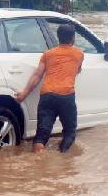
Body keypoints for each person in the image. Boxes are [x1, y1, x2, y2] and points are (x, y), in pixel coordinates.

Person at [14, 23, 84, 153]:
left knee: (42, 134)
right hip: (66, 96)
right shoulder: (79, 54)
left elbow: (37, 76)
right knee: (69, 132)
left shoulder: (48, 54)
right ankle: (63, 157)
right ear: (73, 38)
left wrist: (23, 94)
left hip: (48, 96)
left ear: (58, 37)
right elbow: (78, 70)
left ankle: (38, 160)